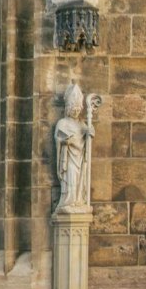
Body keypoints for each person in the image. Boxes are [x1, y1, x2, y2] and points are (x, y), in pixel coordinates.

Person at [54, 83, 94, 214]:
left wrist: (90, 132)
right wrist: (64, 141)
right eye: (73, 108)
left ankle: (78, 201)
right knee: (70, 178)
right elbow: (58, 139)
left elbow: (87, 140)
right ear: (68, 108)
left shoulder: (82, 124)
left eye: (78, 108)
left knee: (79, 180)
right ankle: (68, 201)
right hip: (69, 158)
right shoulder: (63, 123)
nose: (76, 111)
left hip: (79, 160)